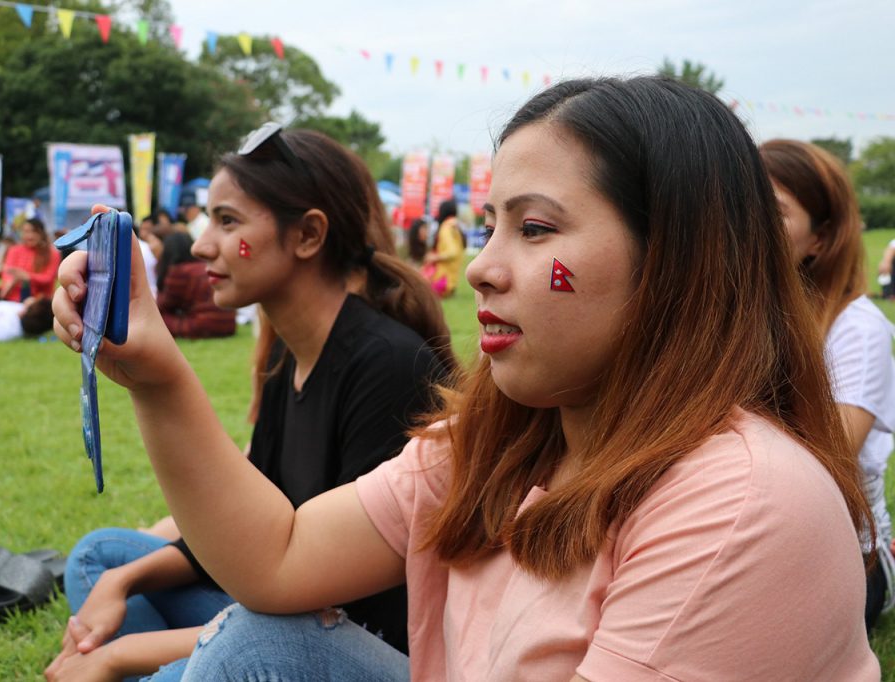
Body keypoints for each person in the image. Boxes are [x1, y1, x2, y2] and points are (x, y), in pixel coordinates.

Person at [52, 78, 880, 681]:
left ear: (672, 262)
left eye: (534, 227)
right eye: (490, 225)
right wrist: (154, 375)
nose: (480, 268)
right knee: (249, 638)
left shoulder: (741, 503)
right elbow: (279, 558)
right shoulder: (502, 435)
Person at [45, 125, 457, 681]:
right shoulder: (288, 356)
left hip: (342, 642)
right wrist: (124, 583)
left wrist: (116, 655)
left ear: (308, 235)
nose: (200, 243)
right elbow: (243, 535)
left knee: (229, 652)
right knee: (101, 560)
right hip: (281, 609)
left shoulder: (387, 366)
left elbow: (323, 616)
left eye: (228, 220)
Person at [761, 138, 895, 633]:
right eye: (740, 204)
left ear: (820, 239)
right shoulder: (734, 315)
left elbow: (829, 459)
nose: (748, 224)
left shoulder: (856, 329)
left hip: (840, 559)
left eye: (772, 212)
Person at [156, 232, 236, 339]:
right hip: (228, 325)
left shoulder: (179, 272)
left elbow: (164, 305)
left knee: (156, 319)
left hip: (201, 326)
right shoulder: (206, 266)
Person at [0, 218, 59, 302]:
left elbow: (48, 278)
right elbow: (8, 273)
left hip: (39, 300)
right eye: (26, 232)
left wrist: (27, 276)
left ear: (42, 233)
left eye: (34, 231)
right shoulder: (14, 250)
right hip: (12, 297)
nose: (30, 236)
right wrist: (11, 282)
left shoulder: (52, 253)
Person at [423, 198, 465, 297]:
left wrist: (435, 257)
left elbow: (452, 252)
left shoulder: (446, 228)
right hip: (451, 282)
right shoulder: (455, 226)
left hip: (443, 282)